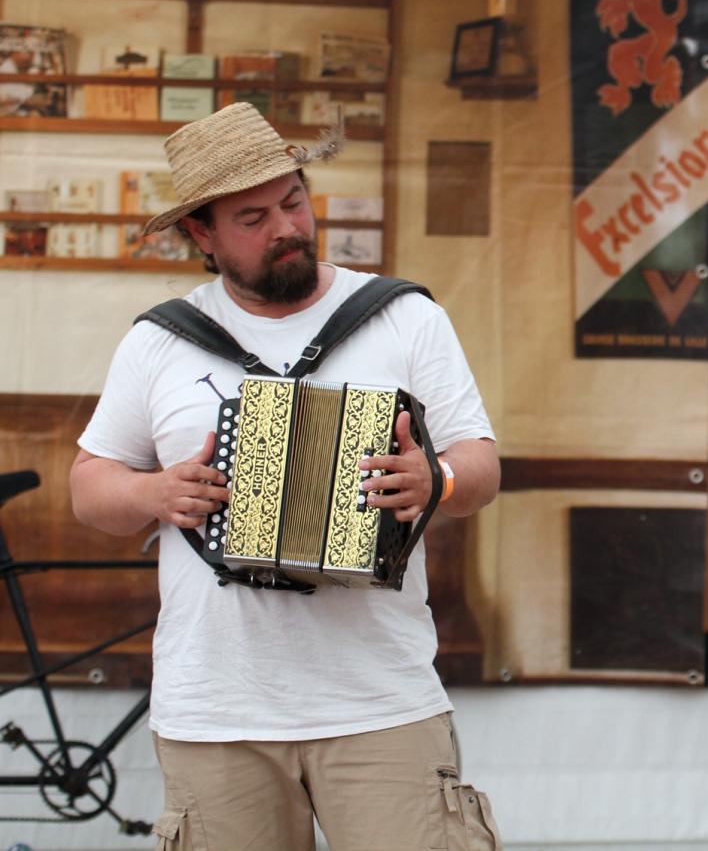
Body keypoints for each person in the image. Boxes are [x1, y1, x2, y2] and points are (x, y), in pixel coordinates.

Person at [68, 103, 500, 850]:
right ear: (201, 233)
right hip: (216, 709)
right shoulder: (158, 341)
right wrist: (153, 492)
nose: (286, 228)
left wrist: (439, 482)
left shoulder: (403, 318)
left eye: (294, 201)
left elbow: (482, 463)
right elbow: (88, 485)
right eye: (253, 217)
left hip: (380, 699)